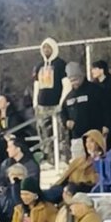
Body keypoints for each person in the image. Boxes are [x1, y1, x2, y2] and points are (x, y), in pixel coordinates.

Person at [33, 37, 68, 165]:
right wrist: (35, 103)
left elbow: (66, 84)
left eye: (48, 47)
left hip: (56, 104)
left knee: (60, 132)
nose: (46, 50)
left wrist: (62, 102)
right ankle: (48, 157)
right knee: (44, 133)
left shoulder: (61, 64)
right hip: (42, 106)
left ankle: (63, 158)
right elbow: (36, 86)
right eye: (44, 47)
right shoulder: (39, 66)